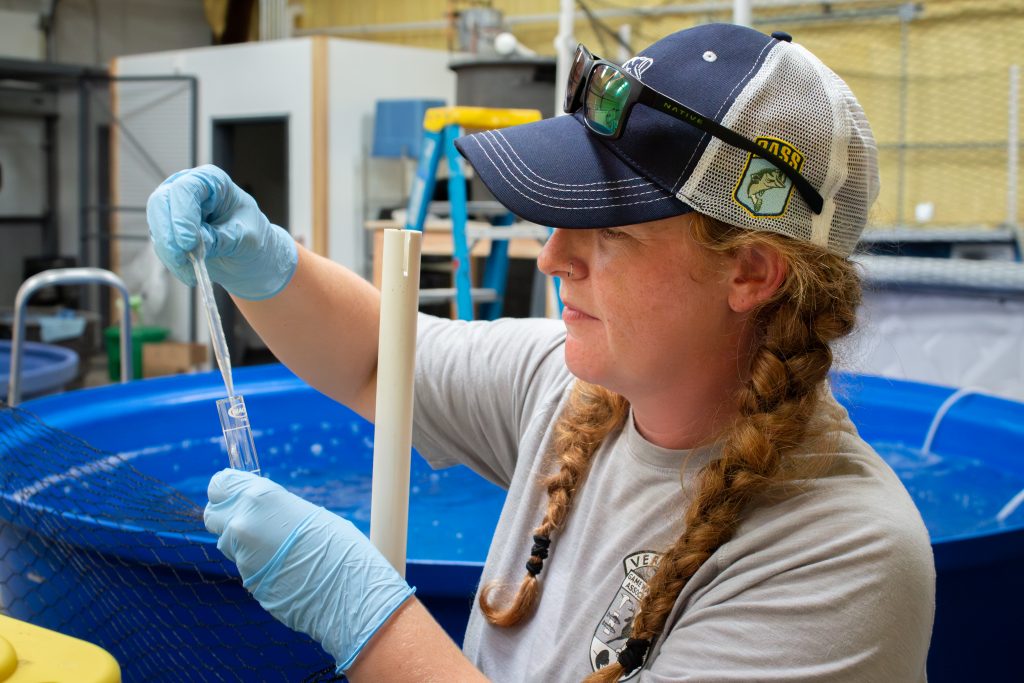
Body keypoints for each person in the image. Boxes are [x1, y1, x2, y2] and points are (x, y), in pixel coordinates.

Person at [147, 22, 935, 682]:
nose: (553, 257)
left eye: (610, 231)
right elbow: (377, 362)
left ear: (751, 273)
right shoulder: (568, 388)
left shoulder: (848, 555)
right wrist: (262, 260)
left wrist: (368, 618)